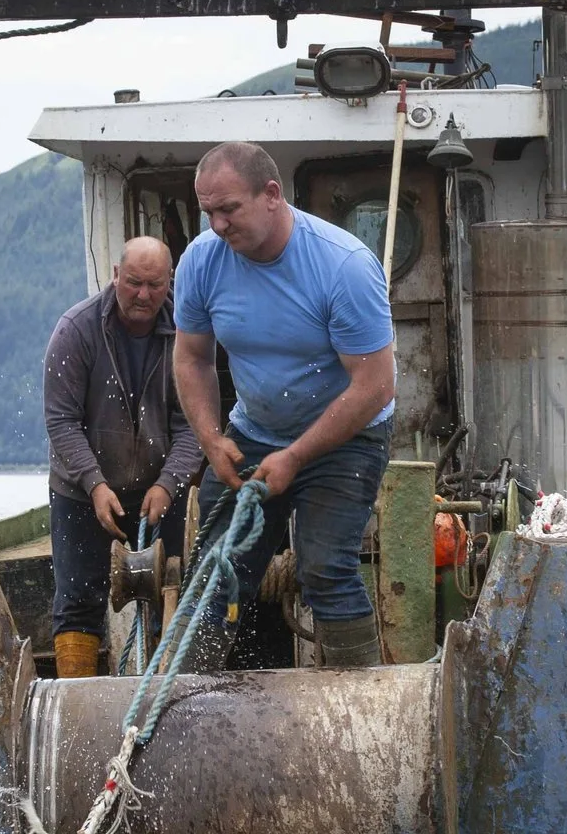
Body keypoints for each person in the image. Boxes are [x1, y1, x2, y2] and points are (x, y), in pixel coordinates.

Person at [173, 140, 395, 669]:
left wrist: (295, 458)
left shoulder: (344, 267)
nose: (219, 226)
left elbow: (374, 387)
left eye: (229, 209)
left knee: (324, 569)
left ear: (272, 195)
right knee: (214, 569)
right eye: (209, 213)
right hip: (254, 431)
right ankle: (180, 701)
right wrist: (210, 437)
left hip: (347, 435)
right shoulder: (202, 261)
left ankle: (364, 712)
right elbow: (192, 359)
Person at [42, 236, 204, 677]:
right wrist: (94, 484)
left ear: (169, 283)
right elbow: (61, 422)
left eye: (155, 285)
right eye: (133, 282)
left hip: (159, 490)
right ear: (115, 276)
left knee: (174, 587)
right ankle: (76, 705)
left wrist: (169, 483)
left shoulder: (187, 334)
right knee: (77, 599)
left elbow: (193, 424)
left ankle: (169, 697)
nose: (143, 295)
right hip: (80, 490)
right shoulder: (76, 330)